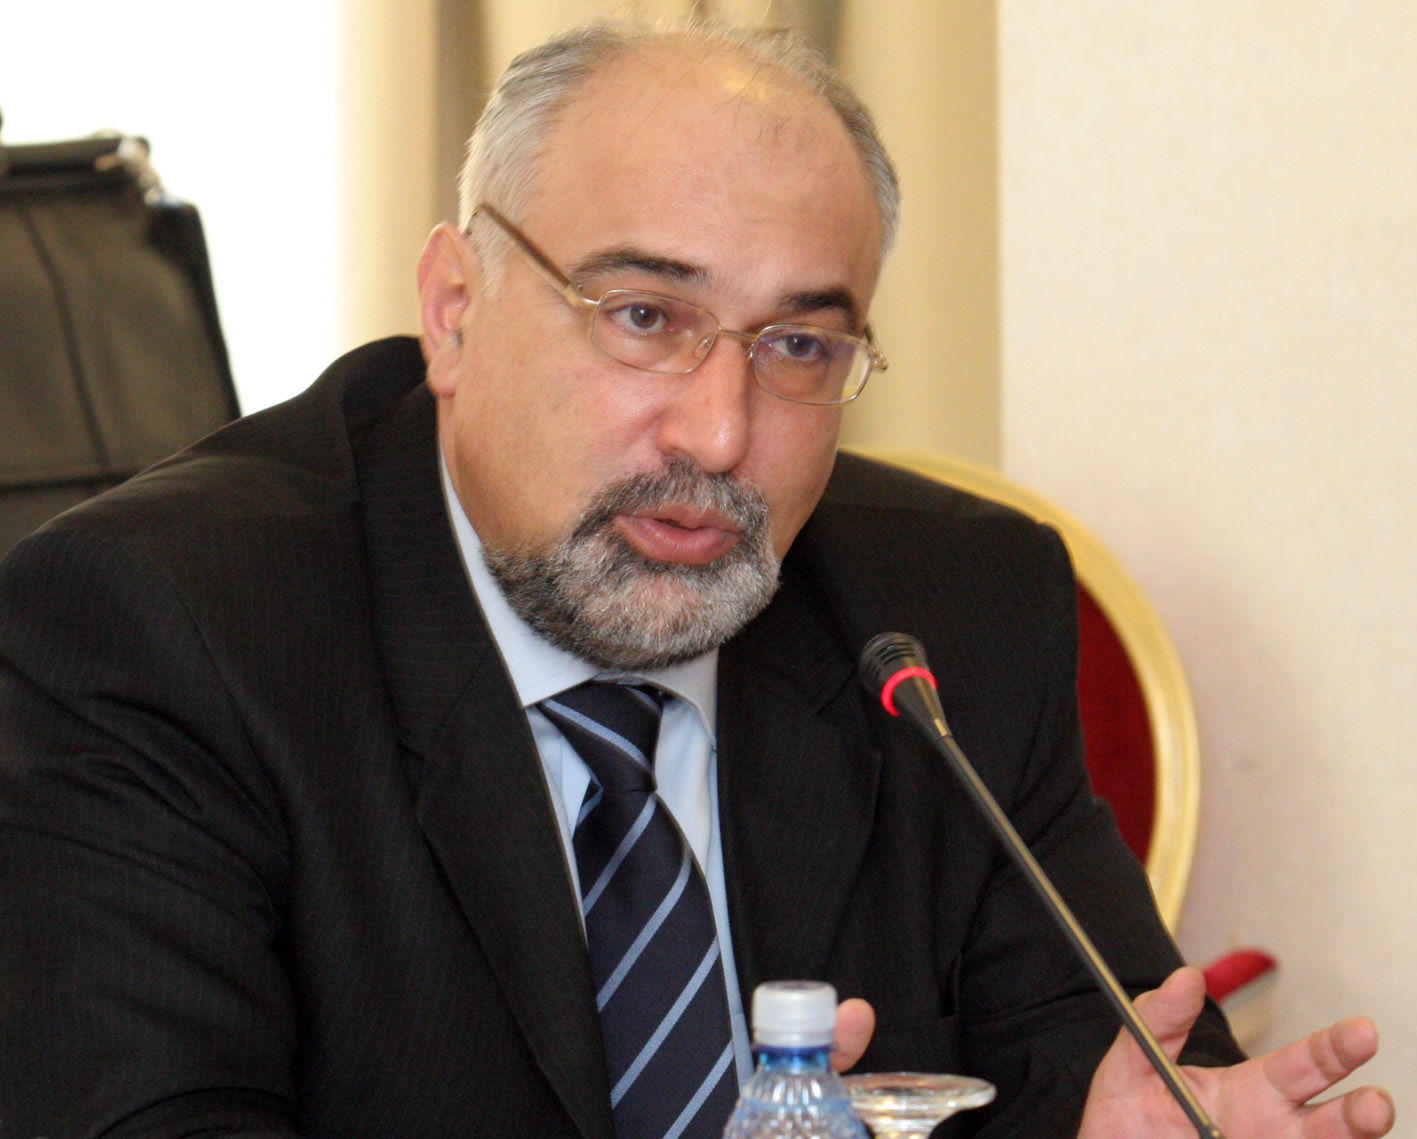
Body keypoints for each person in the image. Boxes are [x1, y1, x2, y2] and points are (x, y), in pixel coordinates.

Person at [0, 19, 1393, 1139]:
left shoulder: (951, 609)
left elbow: (1088, 1073)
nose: (720, 436)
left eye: (798, 347)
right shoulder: (162, 628)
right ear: (455, 309)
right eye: (643, 316)